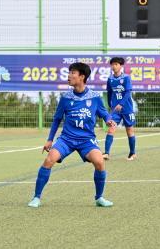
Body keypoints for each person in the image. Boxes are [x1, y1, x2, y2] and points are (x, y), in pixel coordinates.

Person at [28, 62, 116, 208]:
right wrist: (50, 140)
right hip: (67, 139)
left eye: (72, 73)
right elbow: (57, 119)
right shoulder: (65, 97)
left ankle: (99, 198)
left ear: (82, 77)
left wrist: (108, 121)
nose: (69, 76)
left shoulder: (94, 97)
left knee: (100, 162)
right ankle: (36, 197)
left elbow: (104, 113)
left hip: (87, 140)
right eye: (69, 73)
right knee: (49, 160)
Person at [103, 57, 138, 161]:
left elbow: (128, 93)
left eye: (116, 64)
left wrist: (121, 104)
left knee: (129, 130)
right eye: (112, 65)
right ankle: (106, 153)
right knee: (111, 128)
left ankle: (132, 153)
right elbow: (109, 93)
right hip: (115, 110)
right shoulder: (110, 79)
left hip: (127, 109)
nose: (114, 66)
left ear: (121, 66)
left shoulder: (126, 78)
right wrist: (110, 104)